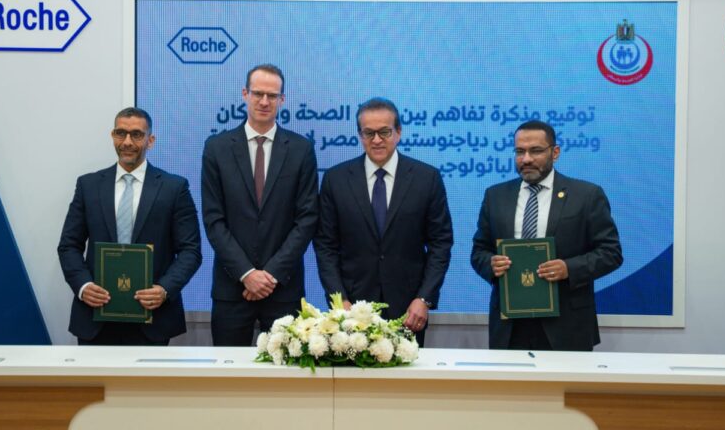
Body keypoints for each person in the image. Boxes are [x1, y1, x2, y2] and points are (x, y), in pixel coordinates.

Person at [471, 120, 622, 351]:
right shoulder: (496, 196)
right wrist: (490, 264)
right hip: (510, 325)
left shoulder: (586, 195)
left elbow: (611, 253)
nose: (526, 159)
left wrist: (568, 268)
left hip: (567, 325)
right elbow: (479, 250)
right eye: (520, 151)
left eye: (536, 151)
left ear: (555, 152)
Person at [314, 97, 453, 346]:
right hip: (351, 309)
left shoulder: (426, 178)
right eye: (369, 133)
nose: (376, 140)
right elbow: (325, 246)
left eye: (384, 132)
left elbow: (441, 243)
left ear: (398, 132)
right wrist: (338, 300)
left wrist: (424, 298)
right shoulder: (336, 179)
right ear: (360, 135)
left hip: (409, 310)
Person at [58, 107, 202, 345]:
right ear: (112, 136)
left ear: (150, 140)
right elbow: (69, 246)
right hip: (96, 317)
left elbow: (191, 251)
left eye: (136, 134)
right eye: (120, 133)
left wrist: (164, 289)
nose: (127, 142)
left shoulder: (174, 188)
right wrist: (83, 286)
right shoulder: (88, 185)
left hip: (153, 318)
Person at [202, 64, 318, 346]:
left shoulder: (301, 149)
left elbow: (307, 219)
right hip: (232, 289)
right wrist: (247, 273)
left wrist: (271, 274)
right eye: (258, 94)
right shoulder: (217, 148)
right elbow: (214, 220)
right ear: (245, 94)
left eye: (272, 95)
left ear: (282, 100)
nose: (264, 101)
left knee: (287, 372)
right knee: (229, 370)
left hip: (284, 289)